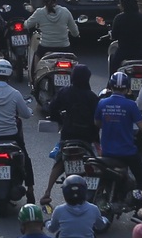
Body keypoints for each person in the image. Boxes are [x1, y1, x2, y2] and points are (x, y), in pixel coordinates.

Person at [39, 65, 100, 205]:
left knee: (59, 162)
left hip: (68, 135)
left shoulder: (65, 92)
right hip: (87, 137)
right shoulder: (92, 97)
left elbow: (52, 108)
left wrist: (60, 121)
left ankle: (47, 192)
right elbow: (97, 120)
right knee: (96, 163)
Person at [94, 69, 142, 192]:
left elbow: (97, 123)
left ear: (110, 87)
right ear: (127, 89)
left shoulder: (102, 103)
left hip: (107, 152)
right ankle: (140, 203)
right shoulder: (131, 105)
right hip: (127, 152)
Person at [25, 0, 80, 73]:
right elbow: (75, 32)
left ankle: (35, 77)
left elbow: (27, 25)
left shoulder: (39, 12)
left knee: (36, 66)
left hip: (45, 48)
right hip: (64, 47)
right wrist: (75, 34)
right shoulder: (65, 11)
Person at [48, 174, 107, 238]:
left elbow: (52, 229)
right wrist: (105, 219)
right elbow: (100, 226)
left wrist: (47, 223)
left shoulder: (59, 210)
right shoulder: (93, 209)